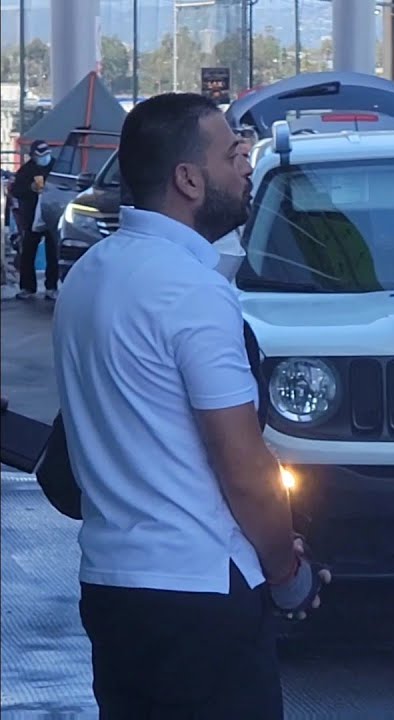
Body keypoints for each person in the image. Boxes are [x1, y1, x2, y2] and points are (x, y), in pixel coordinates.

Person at [51, 92, 329, 719]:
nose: (246, 168)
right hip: (200, 593)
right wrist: (287, 572)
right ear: (188, 179)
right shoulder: (192, 291)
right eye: (235, 154)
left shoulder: (88, 276)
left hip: (111, 585)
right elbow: (244, 468)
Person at [11, 140, 57, 300]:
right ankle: (28, 287)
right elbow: (16, 190)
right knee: (28, 251)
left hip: (51, 215)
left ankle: (51, 287)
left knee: (53, 252)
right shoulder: (26, 170)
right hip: (31, 216)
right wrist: (30, 188)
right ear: (33, 156)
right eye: (40, 155)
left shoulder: (56, 167)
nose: (45, 158)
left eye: (47, 154)